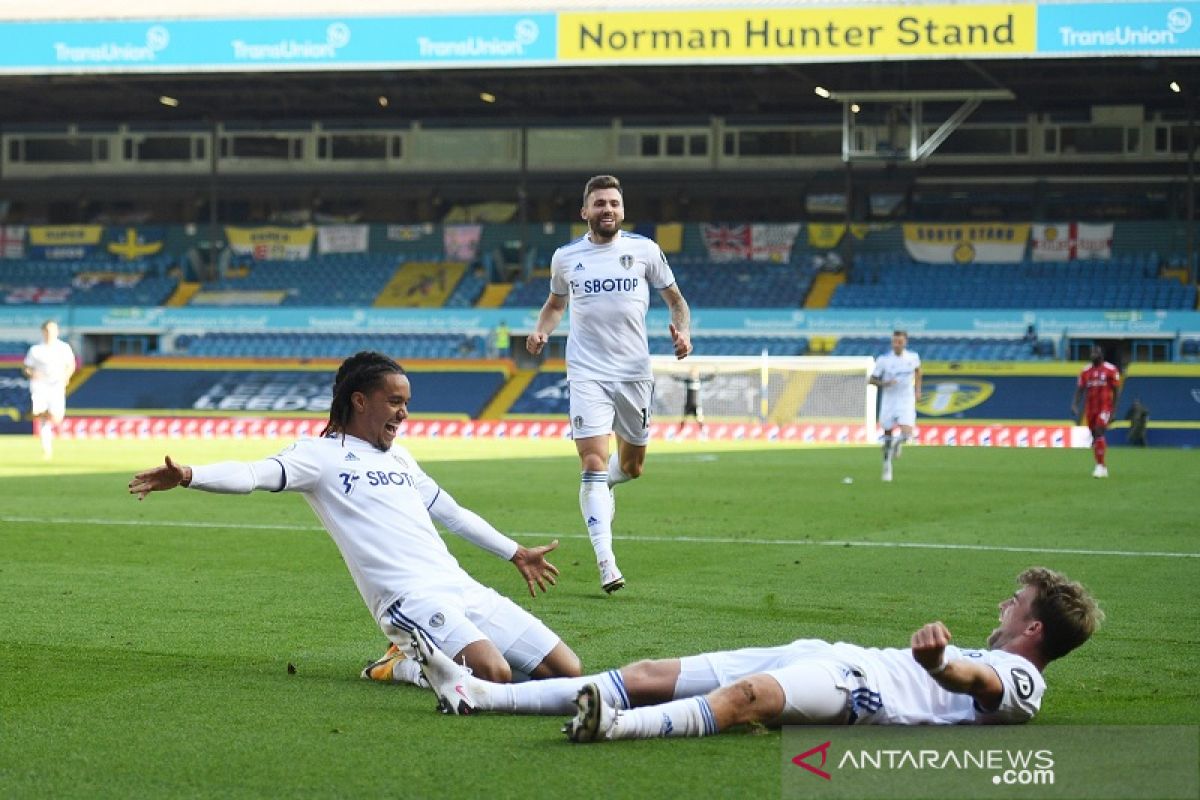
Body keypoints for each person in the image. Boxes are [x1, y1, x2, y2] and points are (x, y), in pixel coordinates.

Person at [128, 350, 582, 686]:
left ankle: (425, 656)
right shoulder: (318, 456)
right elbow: (252, 474)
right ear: (360, 401)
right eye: (395, 402)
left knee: (566, 669)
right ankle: (401, 664)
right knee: (491, 674)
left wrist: (515, 553)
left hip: (459, 587)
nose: (404, 413)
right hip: (408, 599)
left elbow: (453, 514)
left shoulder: (401, 457)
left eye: (406, 402)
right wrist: (190, 474)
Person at [405, 568, 1102, 741]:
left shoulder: (1020, 676)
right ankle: (481, 695)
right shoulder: (1005, 652)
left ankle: (616, 728)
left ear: (1035, 629)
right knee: (650, 673)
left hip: (862, 690)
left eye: (1018, 602)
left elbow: (975, 681)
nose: (1006, 605)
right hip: (827, 653)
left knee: (746, 700)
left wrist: (938, 665)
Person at [526, 174, 692, 593]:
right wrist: (541, 330)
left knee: (631, 467)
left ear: (622, 209)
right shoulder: (566, 257)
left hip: (635, 372)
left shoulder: (645, 251)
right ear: (585, 211)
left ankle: (605, 486)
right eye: (599, 203)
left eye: (614, 203)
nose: (607, 210)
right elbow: (555, 303)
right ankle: (606, 562)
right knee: (592, 463)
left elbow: (676, 301)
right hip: (586, 371)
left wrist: (682, 331)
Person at [868, 330, 921, 482]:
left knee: (907, 434)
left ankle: (898, 445)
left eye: (900, 341)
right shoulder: (883, 360)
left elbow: (918, 372)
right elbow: (871, 380)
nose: (897, 344)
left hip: (906, 399)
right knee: (887, 435)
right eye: (894, 341)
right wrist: (885, 383)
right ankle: (887, 465)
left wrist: (917, 390)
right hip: (889, 400)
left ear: (905, 342)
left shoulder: (913, 358)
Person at [23, 319, 76, 460]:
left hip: (56, 386)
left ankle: (47, 415)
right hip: (40, 386)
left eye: (52, 330)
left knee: (56, 417)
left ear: (57, 331)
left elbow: (70, 365)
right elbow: (27, 368)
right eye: (47, 330)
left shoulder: (64, 348)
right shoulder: (35, 350)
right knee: (42, 418)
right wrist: (32, 373)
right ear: (43, 331)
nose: (50, 333)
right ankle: (47, 450)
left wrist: (66, 376)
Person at [1071, 345, 1121, 478]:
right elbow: (1080, 389)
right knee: (1094, 436)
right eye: (1092, 353)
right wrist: (1075, 404)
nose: (1093, 355)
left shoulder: (1110, 370)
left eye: (1096, 352)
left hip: (1105, 407)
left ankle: (1099, 467)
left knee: (1099, 431)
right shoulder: (1085, 371)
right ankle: (1102, 465)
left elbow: (1116, 391)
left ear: (1101, 355)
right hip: (1090, 408)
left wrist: (1114, 411)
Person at [674, 367, 712, 434]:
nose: (693, 375)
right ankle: (678, 434)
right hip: (688, 404)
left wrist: (714, 372)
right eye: (692, 373)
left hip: (696, 405)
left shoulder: (699, 381)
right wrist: (673, 374)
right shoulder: (688, 381)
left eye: (695, 373)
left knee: (700, 420)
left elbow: (708, 378)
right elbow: (678, 379)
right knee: (684, 420)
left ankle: (704, 434)